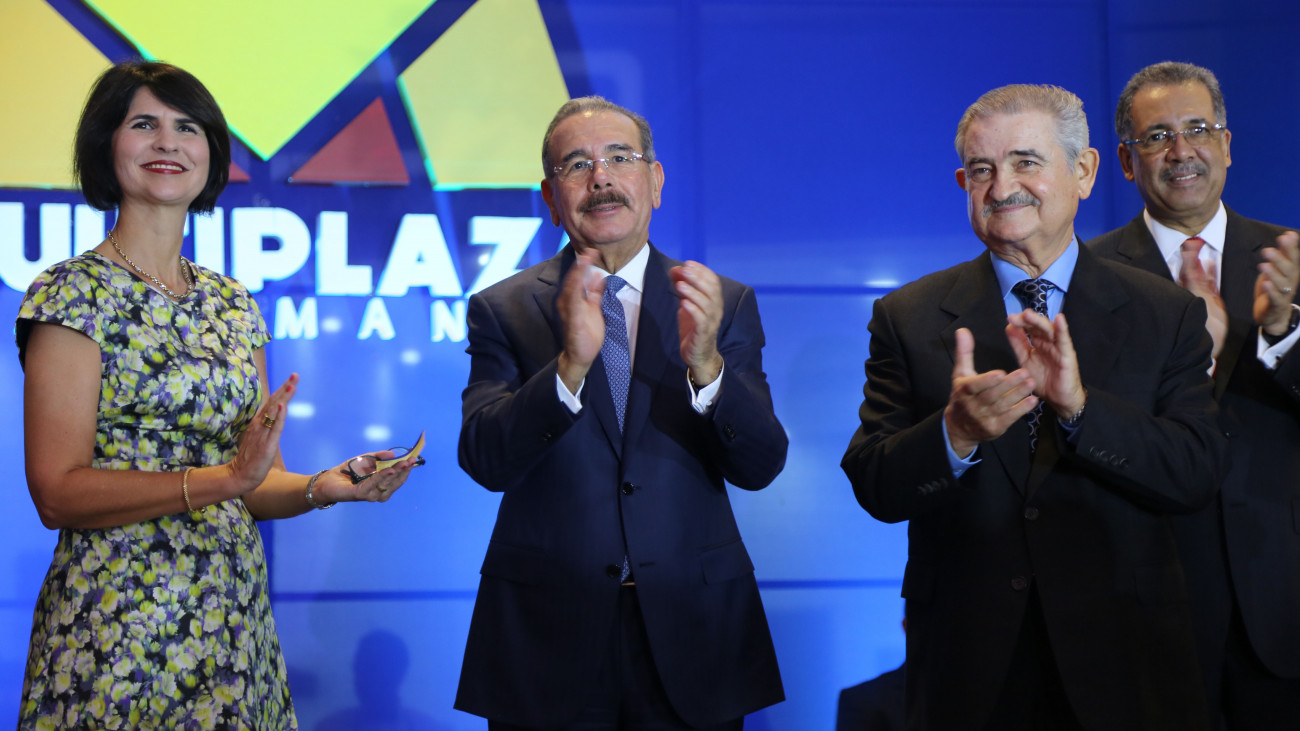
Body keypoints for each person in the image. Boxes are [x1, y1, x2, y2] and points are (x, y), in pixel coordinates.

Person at [15, 60, 421, 729]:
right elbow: (57, 492)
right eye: (143, 124)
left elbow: (257, 485)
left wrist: (324, 485)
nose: (167, 143)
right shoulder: (71, 293)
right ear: (105, 145)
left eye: (187, 127)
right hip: (115, 627)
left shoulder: (232, 303)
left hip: (231, 625)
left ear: (211, 154)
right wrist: (224, 479)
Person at [840, 84, 1226, 730]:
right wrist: (955, 434)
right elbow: (874, 483)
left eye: (1025, 162)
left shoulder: (1165, 312)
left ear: (1084, 171)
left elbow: (1196, 472)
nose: (1002, 188)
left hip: (1127, 663)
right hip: (970, 668)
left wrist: (1080, 409)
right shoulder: (908, 316)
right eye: (981, 170)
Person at [455, 96, 788, 730]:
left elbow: (762, 464)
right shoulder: (504, 308)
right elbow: (485, 459)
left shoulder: (719, 301)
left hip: (693, 631)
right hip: (548, 636)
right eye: (577, 165)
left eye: (619, 158)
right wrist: (567, 369)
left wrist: (708, 367)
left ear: (655, 182)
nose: (600, 178)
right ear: (551, 198)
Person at [1087, 61, 1300, 729]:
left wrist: (1281, 333)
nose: (1181, 151)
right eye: (1157, 137)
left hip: (1283, 597)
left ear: (1227, 145)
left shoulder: (1292, 260)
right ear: (1127, 161)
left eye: (1198, 130)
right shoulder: (1089, 278)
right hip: (1149, 593)